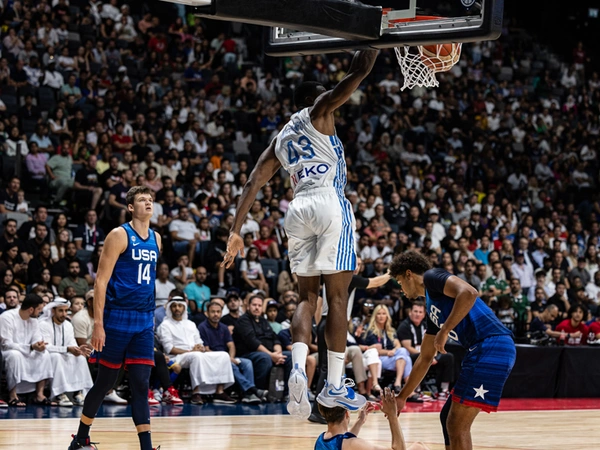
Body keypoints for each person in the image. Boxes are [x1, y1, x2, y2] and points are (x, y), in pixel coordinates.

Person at [223, 49, 380, 419]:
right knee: (337, 297)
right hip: (328, 202)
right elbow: (357, 72)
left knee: (307, 297)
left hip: (297, 210)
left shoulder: (280, 139)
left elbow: (252, 182)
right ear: (316, 98)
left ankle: (297, 367)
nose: (332, 101)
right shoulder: (319, 111)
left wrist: (235, 230)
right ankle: (335, 384)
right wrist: (375, 38)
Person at [389, 251, 516, 450]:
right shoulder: (432, 308)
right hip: (484, 348)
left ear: (409, 274)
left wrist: (445, 330)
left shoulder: (432, 277)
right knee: (446, 417)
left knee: (456, 424)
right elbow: (425, 357)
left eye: (399, 282)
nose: (401, 289)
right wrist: (402, 397)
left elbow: (469, 292)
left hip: (491, 345)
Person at [69, 186, 161, 450]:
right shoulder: (119, 235)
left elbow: (148, 282)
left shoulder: (156, 238)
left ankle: (146, 447)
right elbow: (100, 282)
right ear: (130, 207)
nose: (148, 203)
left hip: (143, 320)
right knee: (105, 383)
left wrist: (151, 317)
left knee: (141, 384)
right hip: (117, 317)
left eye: (150, 199)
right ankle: (81, 438)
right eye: (142, 200)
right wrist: (99, 324)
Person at [156, 297, 235, 405]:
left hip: (195, 353)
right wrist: (190, 351)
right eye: (174, 306)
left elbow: (199, 342)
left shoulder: (191, 324)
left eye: (180, 306)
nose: (177, 308)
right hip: (176, 357)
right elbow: (169, 349)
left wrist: (200, 347)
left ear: (184, 308)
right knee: (196, 356)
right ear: (170, 308)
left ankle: (219, 391)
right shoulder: (165, 325)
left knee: (223, 355)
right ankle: (196, 392)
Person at [316, 388, 429, 450]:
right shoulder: (353, 444)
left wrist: (360, 421)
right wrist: (392, 416)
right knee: (419, 447)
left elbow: (342, 442)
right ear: (347, 413)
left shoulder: (321, 440)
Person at [198, 301, 266, 404]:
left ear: (221, 313)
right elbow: (206, 349)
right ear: (207, 313)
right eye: (213, 312)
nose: (216, 314)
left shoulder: (224, 327)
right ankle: (251, 391)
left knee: (247, 362)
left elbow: (231, 346)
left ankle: (247, 394)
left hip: (227, 357)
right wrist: (227, 359)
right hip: (211, 358)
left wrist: (230, 357)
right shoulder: (202, 327)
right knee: (231, 365)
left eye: (218, 312)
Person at [0, 293, 54, 407]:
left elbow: (37, 339)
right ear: (31, 309)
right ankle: (12, 395)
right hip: (8, 352)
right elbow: (6, 343)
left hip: (28, 351)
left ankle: (39, 394)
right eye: (39, 309)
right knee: (15, 355)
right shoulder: (7, 317)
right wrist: (30, 347)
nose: (40, 312)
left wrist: (39, 345)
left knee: (44, 354)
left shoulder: (34, 320)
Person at [39, 297, 93, 407]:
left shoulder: (68, 325)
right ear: (53, 311)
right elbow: (47, 347)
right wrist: (67, 349)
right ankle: (59, 394)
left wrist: (78, 350)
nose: (64, 314)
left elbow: (72, 343)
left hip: (64, 353)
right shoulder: (43, 324)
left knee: (80, 357)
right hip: (46, 355)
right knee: (56, 357)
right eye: (60, 311)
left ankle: (78, 393)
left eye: (65, 311)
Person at [397, 301, 454, 401]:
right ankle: (417, 389)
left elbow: (434, 343)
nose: (417, 314)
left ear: (424, 314)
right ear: (410, 312)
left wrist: (433, 357)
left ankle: (444, 390)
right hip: (412, 355)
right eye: (415, 311)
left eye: (420, 312)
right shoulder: (404, 326)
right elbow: (408, 347)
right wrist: (426, 356)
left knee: (448, 357)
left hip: (427, 354)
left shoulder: (427, 325)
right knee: (418, 358)